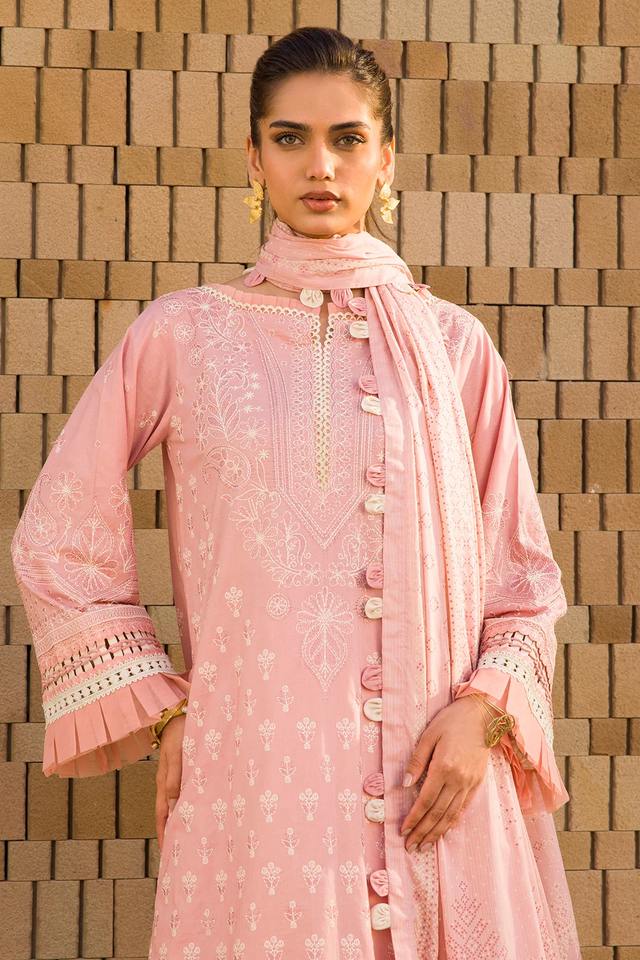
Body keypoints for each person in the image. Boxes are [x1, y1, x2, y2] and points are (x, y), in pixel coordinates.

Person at [10, 25, 582, 960]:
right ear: (254, 157)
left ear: (386, 157)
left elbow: (523, 576)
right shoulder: (185, 335)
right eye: (290, 138)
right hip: (262, 787)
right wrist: (167, 707)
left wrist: (483, 712)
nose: (320, 165)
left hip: (436, 789)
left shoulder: (455, 349)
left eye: (348, 138)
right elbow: (57, 537)